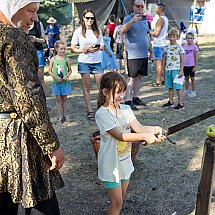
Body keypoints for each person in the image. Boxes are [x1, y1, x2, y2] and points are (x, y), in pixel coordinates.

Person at [0, 1, 65, 215]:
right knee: (45, 205)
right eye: (31, 10)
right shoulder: (13, 38)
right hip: (15, 137)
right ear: (12, 7)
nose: (36, 18)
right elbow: (27, 98)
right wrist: (51, 145)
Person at [95, 71, 165, 215]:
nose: (121, 96)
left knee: (121, 198)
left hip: (125, 163)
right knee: (117, 202)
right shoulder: (102, 114)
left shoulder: (126, 109)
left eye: (123, 92)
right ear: (105, 92)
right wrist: (145, 136)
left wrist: (154, 129)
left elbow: (138, 128)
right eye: (117, 92)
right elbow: (121, 136)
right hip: (110, 165)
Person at [71, 8, 104, 121]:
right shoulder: (78, 31)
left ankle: (101, 108)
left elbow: (103, 46)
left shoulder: (97, 30)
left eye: (92, 18)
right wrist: (84, 49)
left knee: (102, 86)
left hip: (97, 61)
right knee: (87, 87)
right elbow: (73, 49)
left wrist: (96, 48)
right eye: (88, 18)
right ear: (83, 19)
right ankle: (89, 110)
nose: (90, 20)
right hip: (84, 61)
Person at [121, 0, 153, 110]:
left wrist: (151, 51)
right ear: (133, 7)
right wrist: (132, 21)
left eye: (141, 6)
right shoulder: (128, 18)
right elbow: (122, 30)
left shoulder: (145, 20)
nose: (139, 8)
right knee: (131, 78)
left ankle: (136, 97)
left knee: (139, 77)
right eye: (137, 6)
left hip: (143, 54)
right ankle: (127, 100)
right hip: (133, 55)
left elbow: (147, 36)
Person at [48, 40, 72, 124]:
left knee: (65, 100)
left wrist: (67, 76)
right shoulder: (53, 59)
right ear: (56, 49)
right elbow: (50, 71)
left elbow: (70, 70)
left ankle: (66, 115)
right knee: (58, 100)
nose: (63, 51)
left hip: (64, 83)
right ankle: (59, 117)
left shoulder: (67, 59)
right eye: (61, 49)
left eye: (64, 49)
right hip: (56, 83)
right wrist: (55, 77)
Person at [162, 28, 185, 110]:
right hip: (168, 70)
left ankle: (181, 103)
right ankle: (170, 101)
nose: (172, 38)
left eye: (174, 37)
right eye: (170, 37)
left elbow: (182, 59)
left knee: (178, 87)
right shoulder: (166, 47)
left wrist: (181, 70)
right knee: (170, 87)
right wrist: (162, 70)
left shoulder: (179, 47)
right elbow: (164, 58)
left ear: (177, 37)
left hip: (176, 69)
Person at [149, 2, 169, 87]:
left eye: (156, 8)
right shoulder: (166, 18)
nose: (155, 9)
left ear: (161, 8)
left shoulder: (160, 20)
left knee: (158, 64)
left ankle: (158, 81)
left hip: (158, 44)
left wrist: (148, 31)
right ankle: (163, 79)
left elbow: (156, 33)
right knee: (163, 64)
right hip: (163, 43)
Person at [29, 20, 46, 90]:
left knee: (40, 78)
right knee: (29, 78)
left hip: (38, 51)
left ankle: (43, 98)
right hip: (26, 52)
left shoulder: (38, 24)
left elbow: (44, 40)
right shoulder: (22, 22)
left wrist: (36, 40)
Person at [183, 32, 199, 97]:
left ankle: (193, 91)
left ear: (193, 39)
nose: (189, 39)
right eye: (188, 38)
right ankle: (186, 90)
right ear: (186, 39)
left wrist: (195, 66)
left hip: (191, 65)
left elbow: (196, 57)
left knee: (192, 78)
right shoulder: (184, 46)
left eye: (191, 38)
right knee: (186, 78)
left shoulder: (195, 47)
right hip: (185, 65)